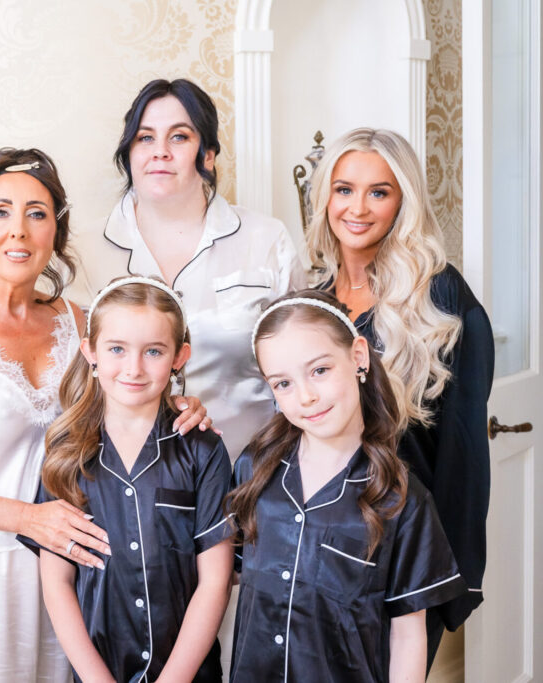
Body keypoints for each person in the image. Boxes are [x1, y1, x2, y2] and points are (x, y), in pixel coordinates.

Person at [0, 148, 209, 682]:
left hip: (80, 571)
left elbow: (126, 407)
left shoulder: (84, 325)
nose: (18, 230)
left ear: (55, 235)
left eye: (36, 213)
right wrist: (29, 520)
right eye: (1, 212)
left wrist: (180, 406)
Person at [306, 128, 494, 660]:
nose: (357, 208)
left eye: (378, 192)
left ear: (403, 202)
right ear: (324, 199)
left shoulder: (441, 298)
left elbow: (463, 454)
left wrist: (455, 576)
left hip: (405, 547)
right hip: (318, 542)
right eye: (343, 189)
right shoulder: (312, 301)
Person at [227, 291, 467, 682]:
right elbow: (223, 578)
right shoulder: (253, 471)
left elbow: (409, 637)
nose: (306, 397)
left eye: (319, 370)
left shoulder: (402, 499)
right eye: (283, 383)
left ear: (357, 356)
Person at [79, 78, 306, 461]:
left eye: (179, 137)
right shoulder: (83, 252)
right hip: (127, 483)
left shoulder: (266, 239)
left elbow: (303, 367)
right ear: (129, 152)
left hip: (251, 476)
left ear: (208, 154)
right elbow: (75, 385)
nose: (160, 153)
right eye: (145, 138)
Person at [27, 276, 233, 682]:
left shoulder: (202, 449)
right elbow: (57, 583)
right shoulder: (66, 453)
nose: (134, 368)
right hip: (98, 669)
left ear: (179, 356)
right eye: (117, 349)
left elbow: (216, 580)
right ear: (91, 352)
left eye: (153, 351)